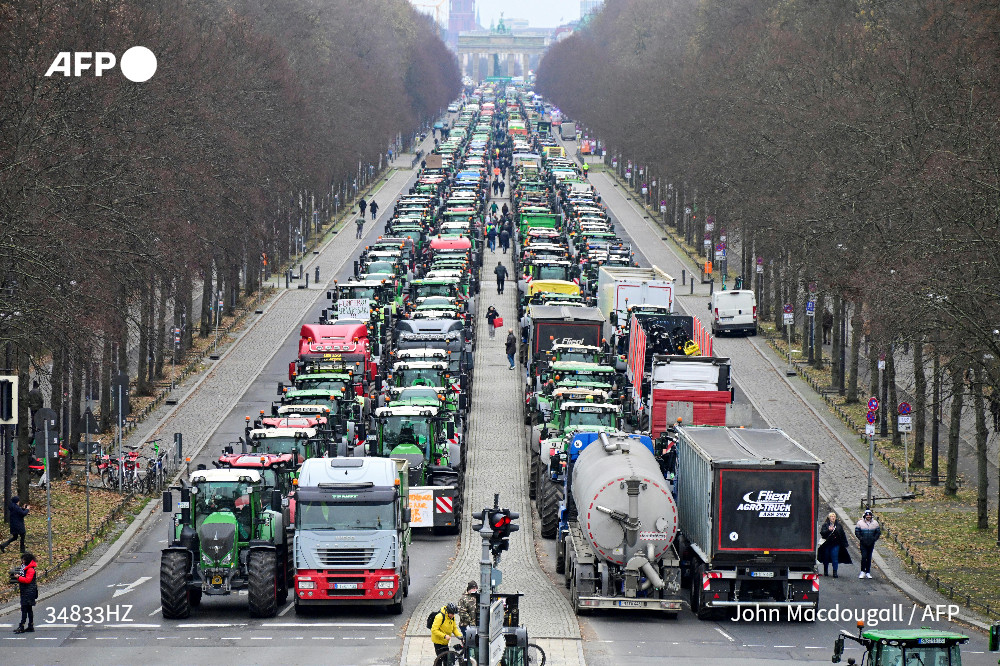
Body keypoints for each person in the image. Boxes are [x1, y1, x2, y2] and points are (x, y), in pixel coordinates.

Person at [817, 512, 851, 577]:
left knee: (835, 558)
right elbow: (822, 533)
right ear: (829, 518)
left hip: (835, 544)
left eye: (834, 516)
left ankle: (835, 572)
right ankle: (825, 571)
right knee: (826, 558)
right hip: (826, 544)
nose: (833, 518)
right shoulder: (825, 525)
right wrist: (828, 530)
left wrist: (845, 543)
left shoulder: (838, 525)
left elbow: (842, 534)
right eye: (831, 516)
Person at [14, 552, 37, 633]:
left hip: (28, 592)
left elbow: (27, 580)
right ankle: (30, 625)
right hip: (27, 591)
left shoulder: (30, 569)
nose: (22, 561)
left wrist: (18, 577)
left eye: (23, 559)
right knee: (28, 609)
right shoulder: (26, 568)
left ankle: (22, 626)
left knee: (24, 609)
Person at [854, 509, 881, 579]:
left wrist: (874, 539)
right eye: (867, 515)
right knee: (864, 557)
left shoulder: (875, 523)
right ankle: (862, 571)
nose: (868, 517)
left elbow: (878, 532)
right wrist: (861, 538)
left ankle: (868, 572)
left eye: (869, 515)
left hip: (871, 543)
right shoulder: (860, 523)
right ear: (865, 516)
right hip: (863, 543)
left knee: (869, 557)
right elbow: (857, 531)